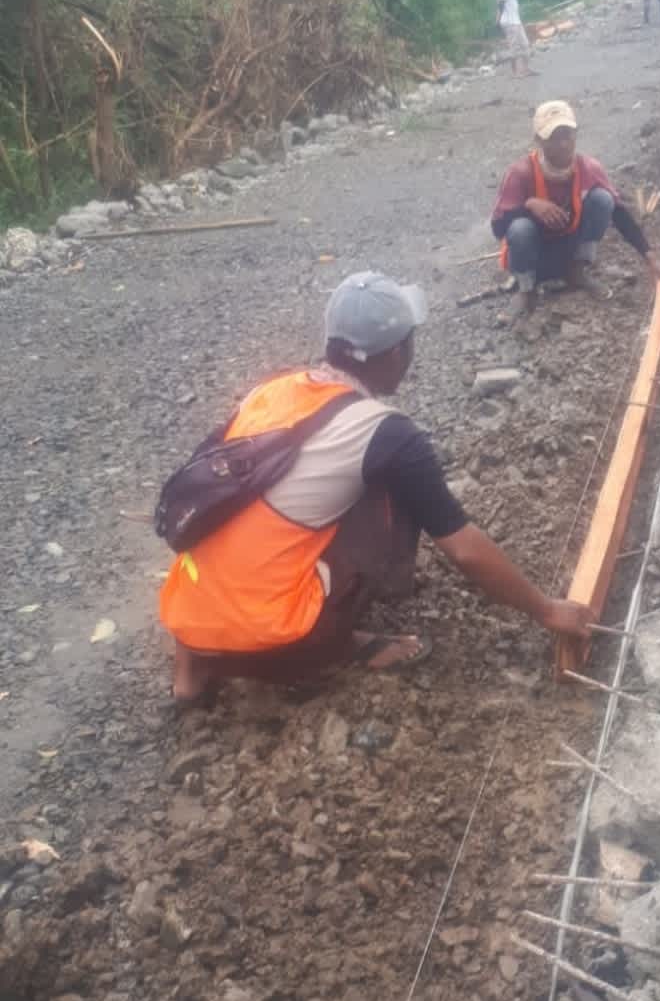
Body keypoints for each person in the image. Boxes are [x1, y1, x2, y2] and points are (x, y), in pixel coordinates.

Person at [159, 272, 592, 705]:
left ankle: (191, 673)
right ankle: (340, 642)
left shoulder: (270, 391)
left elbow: (198, 501)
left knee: (241, 510)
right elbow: (463, 548)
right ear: (395, 352)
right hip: (278, 648)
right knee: (387, 496)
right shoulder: (387, 436)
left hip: (190, 624)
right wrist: (546, 609)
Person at [490, 101, 660, 324]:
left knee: (603, 199)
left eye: (568, 135)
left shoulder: (588, 168)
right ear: (539, 140)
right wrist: (530, 205)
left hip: (567, 251)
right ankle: (526, 290)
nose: (564, 144)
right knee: (519, 228)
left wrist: (650, 258)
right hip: (534, 257)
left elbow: (618, 213)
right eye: (554, 138)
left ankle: (576, 272)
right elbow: (498, 227)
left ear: (576, 134)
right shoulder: (521, 173)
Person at [497, 0, 531, 79]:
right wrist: (498, 18)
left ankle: (526, 70)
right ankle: (516, 72)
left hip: (516, 20)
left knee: (525, 44)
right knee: (514, 47)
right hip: (509, 21)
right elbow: (501, 2)